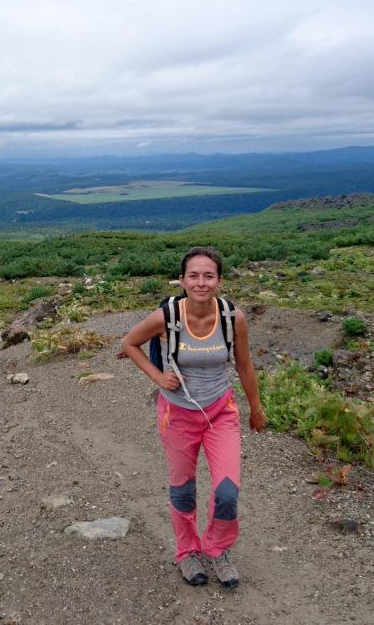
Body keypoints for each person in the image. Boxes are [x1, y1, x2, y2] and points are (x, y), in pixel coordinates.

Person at [121, 246, 266, 589]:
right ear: (183, 280)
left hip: (221, 412)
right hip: (178, 414)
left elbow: (244, 364)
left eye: (208, 275)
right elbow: (129, 343)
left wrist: (256, 409)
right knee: (183, 489)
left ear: (219, 280)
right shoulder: (167, 316)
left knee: (227, 491)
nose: (201, 282)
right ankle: (187, 551)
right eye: (193, 275)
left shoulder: (233, 317)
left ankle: (216, 548)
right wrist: (158, 378)